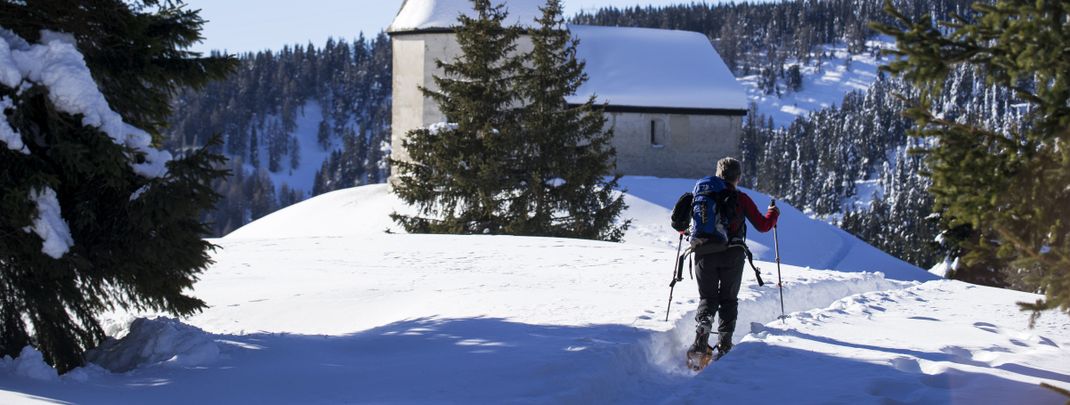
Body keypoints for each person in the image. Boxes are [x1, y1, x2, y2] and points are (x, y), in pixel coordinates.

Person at [690, 157, 779, 357]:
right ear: (738, 177)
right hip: (732, 254)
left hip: (704, 253)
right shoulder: (741, 198)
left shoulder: (703, 193)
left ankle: (702, 330)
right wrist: (773, 214)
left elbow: (680, 222)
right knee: (728, 300)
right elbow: (763, 226)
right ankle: (724, 345)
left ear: (717, 174)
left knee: (708, 297)